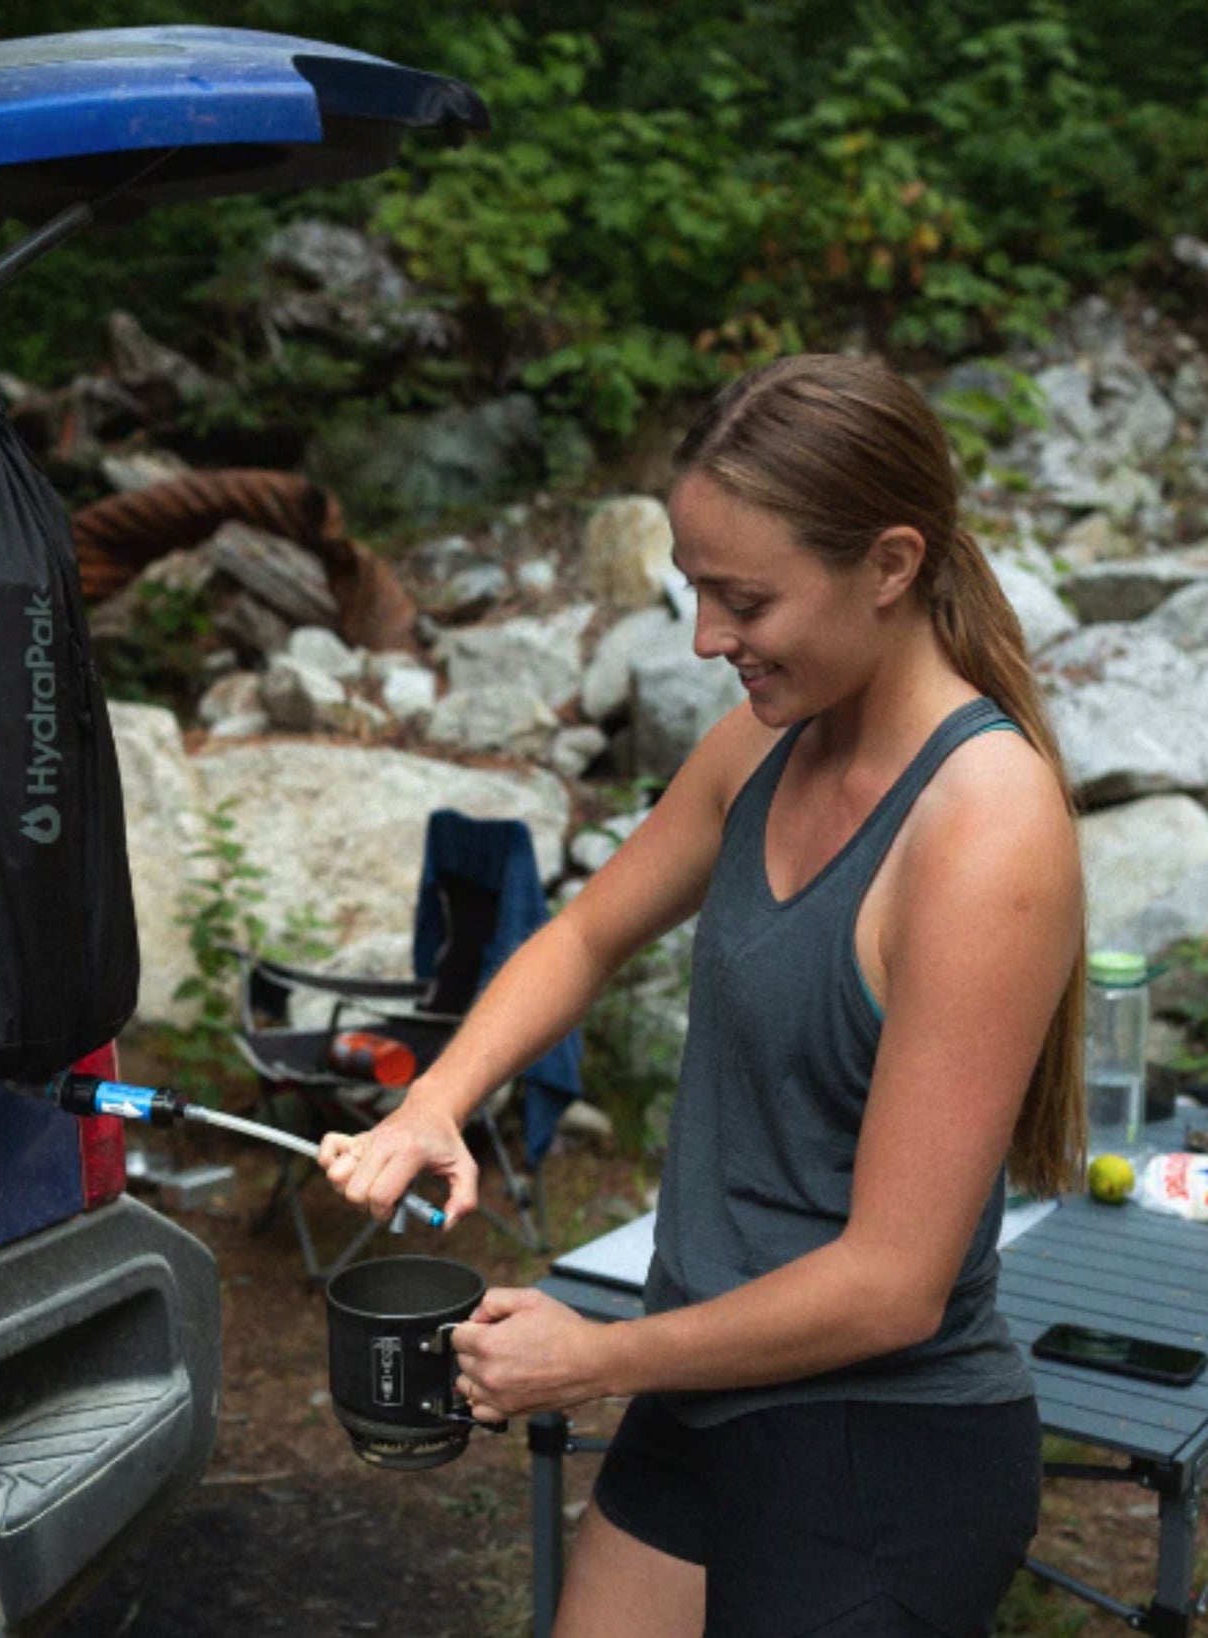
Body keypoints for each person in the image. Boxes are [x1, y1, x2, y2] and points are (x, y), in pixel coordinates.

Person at [320, 352, 1086, 1638]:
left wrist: (594, 1358)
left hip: (876, 1449)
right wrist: (435, 1104)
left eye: (743, 599)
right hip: (707, 1391)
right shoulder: (766, 740)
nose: (703, 639)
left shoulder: (983, 830)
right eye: (690, 590)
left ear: (889, 565)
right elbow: (583, 937)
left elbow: (891, 1284)